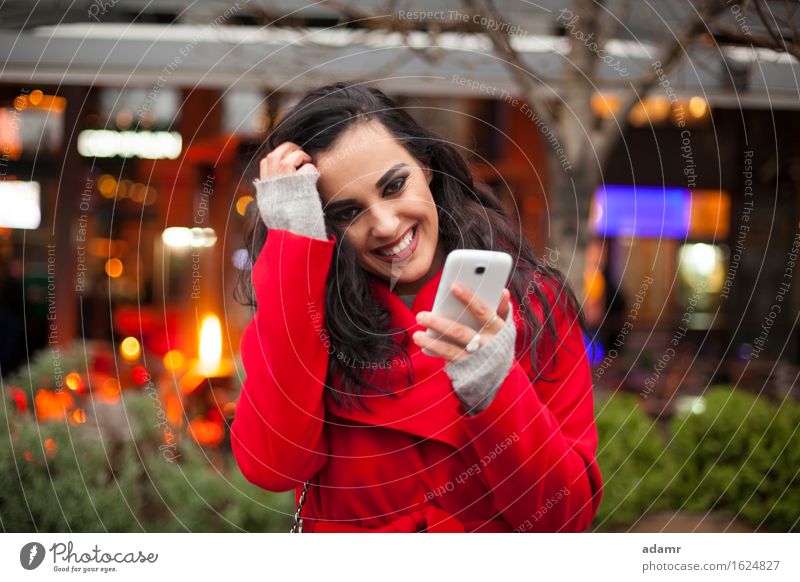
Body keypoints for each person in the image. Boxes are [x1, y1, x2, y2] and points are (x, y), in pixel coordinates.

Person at [231, 82, 603, 532]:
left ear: (425, 166)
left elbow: (567, 518)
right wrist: (294, 247)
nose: (385, 225)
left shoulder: (534, 305)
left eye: (394, 185)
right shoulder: (309, 314)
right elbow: (273, 466)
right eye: (348, 213)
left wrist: (496, 390)